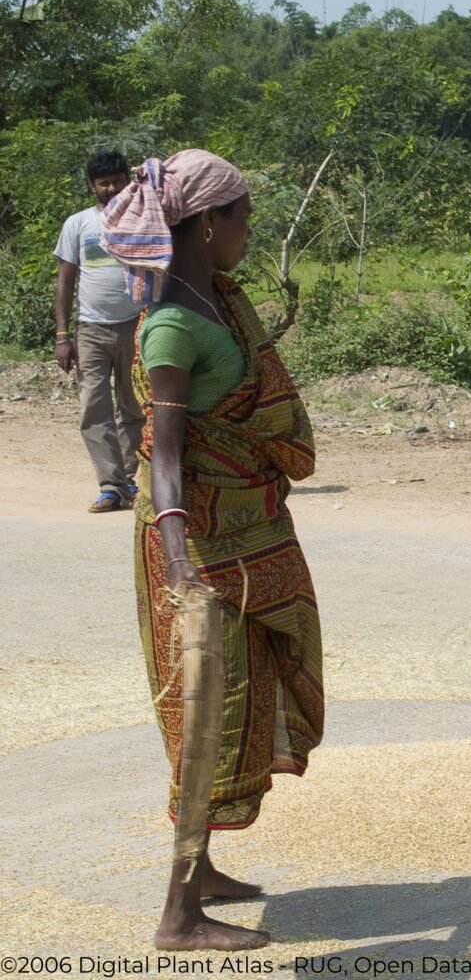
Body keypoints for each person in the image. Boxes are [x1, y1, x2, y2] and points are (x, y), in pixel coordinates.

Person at [101, 150, 324, 949]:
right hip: (199, 548)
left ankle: (200, 871)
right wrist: (179, 559)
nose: (249, 232)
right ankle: (179, 915)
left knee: (246, 697)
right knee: (207, 719)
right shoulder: (172, 324)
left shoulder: (218, 300)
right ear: (205, 224)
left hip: (247, 533)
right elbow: (162, 456)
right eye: (242, 218)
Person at [54, 151, 146, 512]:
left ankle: (128, 481)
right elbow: (65, 281)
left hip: (137, 324)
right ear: (93, 186)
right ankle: (111, 485)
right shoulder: (78, 224)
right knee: (94, 408)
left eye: (117, 181)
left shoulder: (144, 220)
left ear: (127, 181)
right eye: (103, 183)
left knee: (134, 406)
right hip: (90, 328)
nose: (111, 189)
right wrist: (63, 336)